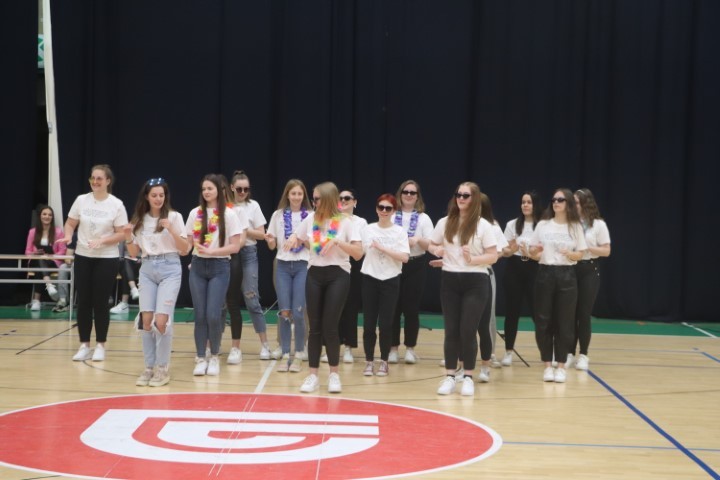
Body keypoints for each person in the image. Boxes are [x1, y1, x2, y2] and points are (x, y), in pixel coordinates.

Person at [284, 182, 362, 394]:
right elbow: (298, 236)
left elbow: (358, 253)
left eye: (317, 198)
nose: (313, 201)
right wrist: (293, 238)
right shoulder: (311, 219)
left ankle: (334, 375)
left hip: (338, 275)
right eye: (313, 198)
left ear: (327, 199)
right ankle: (313, 376)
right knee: (315, 327)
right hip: (315, 274)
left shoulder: (346, 222)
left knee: (330, 326)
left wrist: (337, 242)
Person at [429, 182, 497, 396]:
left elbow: (493, 256)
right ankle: (450, 376)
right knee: (451, 330)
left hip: (476, 281)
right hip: (450, 279)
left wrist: (472, 259)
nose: (460, 198)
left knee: (468, 330)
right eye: (458, 194)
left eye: (465, 195)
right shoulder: (445, 222)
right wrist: (437, 250)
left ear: (474, 199)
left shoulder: (483, 225)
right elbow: (430, 244)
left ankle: (468, 377)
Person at [58, 165, 129, 362]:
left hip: (107, 258)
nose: (95, 182)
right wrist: (68, 236)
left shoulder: (116, 204)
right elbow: (70, 223)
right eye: (93, 178)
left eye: (99, 178)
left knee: (100, 302)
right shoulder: (81, 200)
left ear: (108, 181)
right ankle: (84, 345)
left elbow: (122, 233)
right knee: (84, 301)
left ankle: (100, 345)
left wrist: (103, 241)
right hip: (83, 256)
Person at [124, 178, 188, 387]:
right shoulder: (139, 219)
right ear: (146, 197)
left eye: (161, 195)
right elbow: (134, 253)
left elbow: (185, 249)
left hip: (170, 267)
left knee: (161, 320)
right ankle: (149, 367)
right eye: (154, 195)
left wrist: (171, 230)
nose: (158, 199)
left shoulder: (174, 217)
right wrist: (127, 236)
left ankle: (162, 368)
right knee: (146, 320)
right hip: (147, 268)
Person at [186, 174, 247, 377]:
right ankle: (200, 357)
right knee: (200, 315)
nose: (206, 192)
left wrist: (213, 251)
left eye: (210, 188)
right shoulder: (195, 213)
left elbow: (235, 246)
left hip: (220, 266)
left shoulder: (229, 214)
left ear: (219, 191)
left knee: (213, 314)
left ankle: (214, 357)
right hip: (197, 266)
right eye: (204, 189)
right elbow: (187, 243)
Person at [528, 188, 587, 383]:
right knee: (543, 321)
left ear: (568, 203)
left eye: (560, 200)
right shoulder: (543, 225)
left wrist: (570, 254)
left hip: (567, 275)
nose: (556, 202)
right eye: (554, 199)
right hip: (545, 273)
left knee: (565, 321)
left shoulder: (575, 227)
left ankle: (561, 365)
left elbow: (581, 254)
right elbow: (533, 252)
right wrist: (533, 251)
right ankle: (547, 365)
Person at [265, 179, 312, 373]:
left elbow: (314, 246)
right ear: (287, 195)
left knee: (299, 312)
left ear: (304, 195)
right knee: (285, 312)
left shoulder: (310, 216)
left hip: (302, 265)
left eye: (300, 194)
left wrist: (301, 240)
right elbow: (272, 245)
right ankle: (285, 354)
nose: (296, 197)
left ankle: (299, 353)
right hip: (283, 266)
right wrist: (269, 240)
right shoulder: (277, 215)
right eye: (293, 193)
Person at [360, 194, 409, 377]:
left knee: (386, 324)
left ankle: (384, 361)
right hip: (370, 278)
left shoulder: (399, 232)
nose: (384, 211)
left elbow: (404, 257)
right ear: (376, 209)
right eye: (381, 207)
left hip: (390, 279)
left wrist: (383, 248)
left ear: (394, 211)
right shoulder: (368, 229)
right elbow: (363, 251)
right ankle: (369, 361)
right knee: (368, 324)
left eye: (388, 208)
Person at [225, 170, 271, 364]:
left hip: (248, 253)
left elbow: (262, 234)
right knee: (225, 301)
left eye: (246, 189)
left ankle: (265, 344)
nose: (243, 192)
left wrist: (243, 229)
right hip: (228, 253)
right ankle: (218, 345)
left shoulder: (253, 206)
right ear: (231, 188)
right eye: (239, 189)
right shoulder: (225, 206)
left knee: (251, 298)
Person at [390, 180, 434, 364]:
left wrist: (418, 240)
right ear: (400, 194)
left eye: (412, 193)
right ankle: (392, 349)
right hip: (394, 264)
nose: (408, 195)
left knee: (411, 308)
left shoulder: (424, 218)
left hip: (416, 264)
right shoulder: (391, 215)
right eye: (405, 192)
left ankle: (410, 348)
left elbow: (431, 244)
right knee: (393, 308)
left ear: (417, 197)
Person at [570, 188, 611, 371]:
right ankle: (569, 353)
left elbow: (606, 250)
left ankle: (583, 354)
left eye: (576, 202)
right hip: (572, 268)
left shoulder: (598, 225)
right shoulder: (570, 223)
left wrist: (588, 248)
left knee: (583, 313)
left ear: (586, 204)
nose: (573, 205)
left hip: (589, 269)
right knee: (569, 313)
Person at [501, 191, 542, 366]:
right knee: (512, 312)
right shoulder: (512, 224)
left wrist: (531, 254)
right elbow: (504, 251)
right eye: (523, 202)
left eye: (529, 202)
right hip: (514, 268)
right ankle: (508, 351)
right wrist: (510, 250)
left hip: (534, 269)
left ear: (535, 205)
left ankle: (547, 352)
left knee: (538, 313)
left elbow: (545, 253)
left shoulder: (542, 226)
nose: (525, 205)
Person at [333, 189, 367, 364]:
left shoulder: (361, 222)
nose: (344, 201)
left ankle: (348, 347)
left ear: (355, 202)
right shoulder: (332, 220)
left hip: (354, 263)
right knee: (332, 306)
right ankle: (331, 346)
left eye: (347, 198)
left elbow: (363, 247)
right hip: (335, 262)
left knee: (351, 306)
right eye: (340, 198)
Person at [479, 193, 509, 373]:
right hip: (464, 273)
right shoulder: (461, 223)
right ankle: (458, 354)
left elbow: (502, 250)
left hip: (486, 272)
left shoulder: (493, 226)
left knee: (488, 315)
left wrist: (489, 256)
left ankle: (490, 354)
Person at [24, 205, 70, 312]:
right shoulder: (33, 232)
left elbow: (63, 250)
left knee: (39, 268)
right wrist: (35, 253)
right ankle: (48, 284)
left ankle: (36, 301)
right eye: (44, 214)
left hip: (51, 262)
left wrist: (51, 256)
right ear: (40, 216)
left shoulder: (58, 232)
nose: (47, 217)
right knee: (40, 259)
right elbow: (27, 251)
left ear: (52, 217)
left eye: (49, 215)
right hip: (35, 260)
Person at [109, 242, 140, 314]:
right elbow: (121, 254)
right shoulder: (125, 235)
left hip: (145, 261)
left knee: (125, 267)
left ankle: (125, 301)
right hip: (129, 261)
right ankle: (133, 289)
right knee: (125, 263)